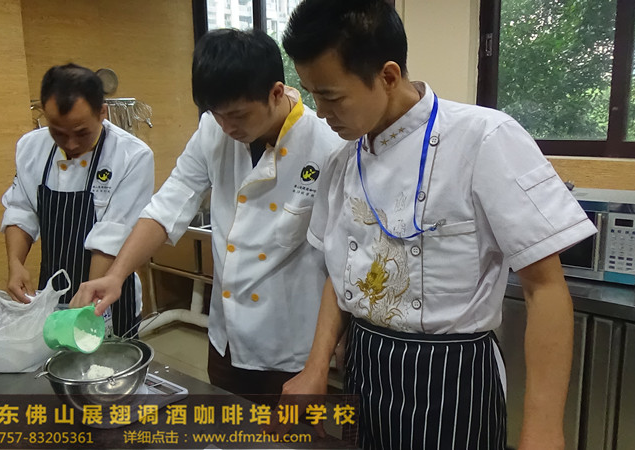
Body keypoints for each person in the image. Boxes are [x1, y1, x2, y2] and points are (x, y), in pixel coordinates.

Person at [280, 1, 597, 448]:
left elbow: (544, 288)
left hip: (452, 376)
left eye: (331, 96)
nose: (320, 112)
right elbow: (340, 270)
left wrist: (543, 429)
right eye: (312, 94)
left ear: (388, 76)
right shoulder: (342, 161)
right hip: (364, 363)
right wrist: (316, 367)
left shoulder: (484, 138)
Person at [71, 29, 344, 399]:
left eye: (237, 114)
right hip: (226, 339)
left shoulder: (328, 146)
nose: (227, 127)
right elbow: (168, 204)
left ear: (276, 93)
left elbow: (340, 261)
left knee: (287, 431)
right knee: (225, 425)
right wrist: (117, 275)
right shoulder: (214, 131)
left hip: (290, 345)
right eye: (216, 114)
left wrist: (320, 363)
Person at [1, 63, 153, 337]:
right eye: (58, 132)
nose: (70, 144)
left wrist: (87, 304)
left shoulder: (132, 156)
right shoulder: (30, 147)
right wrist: (16, 263)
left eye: (81, 132)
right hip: (53, 288)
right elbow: (21, 210)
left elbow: (113, 234)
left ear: (102, 112)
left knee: (107, 358)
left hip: (108, 292)